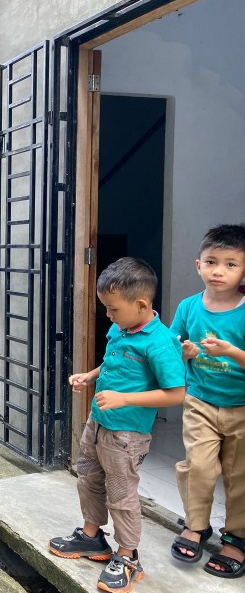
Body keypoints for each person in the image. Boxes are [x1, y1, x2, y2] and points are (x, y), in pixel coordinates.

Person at [47, 257, 186, 592]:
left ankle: (127, 555)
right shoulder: (121, 327)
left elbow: (176, 393)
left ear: (141, 305)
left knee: (121, 494)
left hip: (127, 434)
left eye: (113, 309)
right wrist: (90, 375)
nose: (108, 315)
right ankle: (91, 536)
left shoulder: (160, 342)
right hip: (98, 421)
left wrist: (124, 399)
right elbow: (112, 363)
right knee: (88, 478)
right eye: (105, 308)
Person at [169, 223, 245, 579]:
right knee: (198, 467)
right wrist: (183, 353)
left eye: (231, 264)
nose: (219, 271)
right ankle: (196, 525)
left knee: (239, 474)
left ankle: (237, 538)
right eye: (211, 262)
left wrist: (231, 352)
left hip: (241, 406)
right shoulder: (188, 307)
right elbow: (170, 348)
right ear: (198, 265)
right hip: (200, 401)